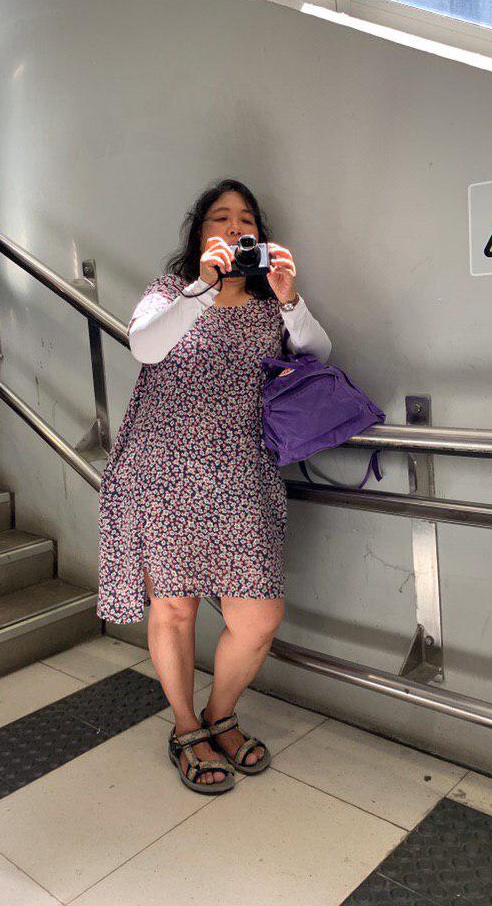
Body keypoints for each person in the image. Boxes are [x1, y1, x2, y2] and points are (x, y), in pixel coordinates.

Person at [97, 179, 331, 793]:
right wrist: (200, 288)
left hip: (242, 473)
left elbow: (318, 354)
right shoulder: (169, 290)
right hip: (164, 470)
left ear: (259, 233)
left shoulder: (270, 300)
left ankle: (219, 713)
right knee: (174, 608)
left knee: (259, 616)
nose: (233, 227)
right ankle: (186, 728)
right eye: (219, 218)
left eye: (245, 219)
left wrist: (290, 299)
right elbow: (144, 346)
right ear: (199, 234)